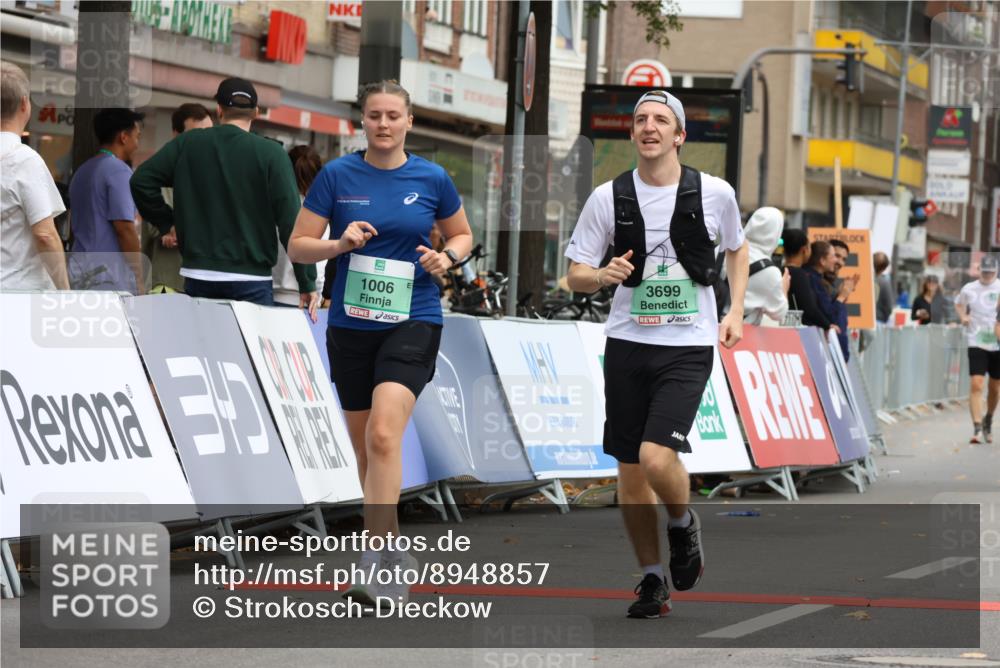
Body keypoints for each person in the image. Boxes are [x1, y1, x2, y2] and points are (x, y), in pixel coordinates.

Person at [564, 90, 749, 619]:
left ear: (679, 135)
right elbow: (574, 273)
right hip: (627, 343)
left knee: (654, 456)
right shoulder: (608, 197)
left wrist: (733, 312)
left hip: (687, 346)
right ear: (633, 134)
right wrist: (600, 275)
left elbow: (737, 248)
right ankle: (651, 578)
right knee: (628, 472)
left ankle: (682, 523)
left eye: (660, 120)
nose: (649, 127)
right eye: (640, 119)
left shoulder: (714, 193)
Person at [287, 80, 473, 606]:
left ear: (409, 121)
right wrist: (338, 243)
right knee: (366, 449)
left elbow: (460, 234)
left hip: (413, 317)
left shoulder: (432, 177)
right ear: (361, 122)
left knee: (386, 436)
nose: (384, 124)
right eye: (374, 116)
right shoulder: (338, 175)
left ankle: (373, 560)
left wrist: (448, 258)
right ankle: (390, 549)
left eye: (393, 115)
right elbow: (299, 247)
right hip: (349, 324)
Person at [130, 77, 316, 305]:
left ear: (219, 110)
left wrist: (167, 222)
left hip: (198, 274)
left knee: (202, 341)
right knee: (248, 341)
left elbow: (140, 180)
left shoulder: (188, 144)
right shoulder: (271, 154)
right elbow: (291, 223)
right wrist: (306, 282)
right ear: (256, 112)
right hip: (252, 278)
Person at [1, 62, 68, 291]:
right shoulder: (25, 160)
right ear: (24, 104)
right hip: (19, 295)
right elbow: (45, 235)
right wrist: (65, 291)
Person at [69, 107, 145, 293]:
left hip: (78, 267)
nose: (137, 144)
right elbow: (125, 229)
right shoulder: (119, 171)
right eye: (137, 136)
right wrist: (138, 276)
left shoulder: (82, 171)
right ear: (123, 137)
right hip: (107, 276)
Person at [141, 103, 214, 293]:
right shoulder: (160, 172)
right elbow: (151, 223)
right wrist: (168, 229)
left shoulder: (213, 172)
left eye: (209, 133)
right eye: (196, 134)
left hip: (205, 282)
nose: (205, 140)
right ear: (176, 134)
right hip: (167, 282)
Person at [272, 145, 325, 320]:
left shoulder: (275, 205)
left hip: (270, 295)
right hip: (308, 301)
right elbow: (319, 263)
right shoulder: (319, 212)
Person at [956, 255, 1000, 444]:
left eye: (991, 272)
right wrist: (963, 316)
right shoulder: (969, 288)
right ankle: (976, 426)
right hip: (976, 340)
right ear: (979, 270)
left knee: (995, 387)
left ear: (996, 271)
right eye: (985, 271)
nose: (988, 275)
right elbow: (959, 304)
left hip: (997, 341)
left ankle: (988, 417)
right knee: (976, 383)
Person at [805, 240, 851, 360]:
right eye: (835, 256)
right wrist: (841, 297)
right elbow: (829, 316)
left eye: (844, 259)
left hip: (836, 354)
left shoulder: (829, 286)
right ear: (822, 259)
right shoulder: (813, 281)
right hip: (825, 354)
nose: (839, 262)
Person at [742, 206, 789, 325]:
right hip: (741, 336)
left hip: (708, 331)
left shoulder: (721, 251)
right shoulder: (769, 271)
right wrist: (784, 287)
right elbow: (779, 313)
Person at [784, 229, 833, 332]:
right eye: (810, 246)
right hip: (796, 332)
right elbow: (809, 308)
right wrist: (827, 325)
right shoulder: (799, 275)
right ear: (804, 250)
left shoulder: (780, 270)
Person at [874, 252, 895, 323]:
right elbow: (889, 306)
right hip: (879, 321)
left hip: (865, 321)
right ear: (885, 266)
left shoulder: (866, 280)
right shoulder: (885, 282)